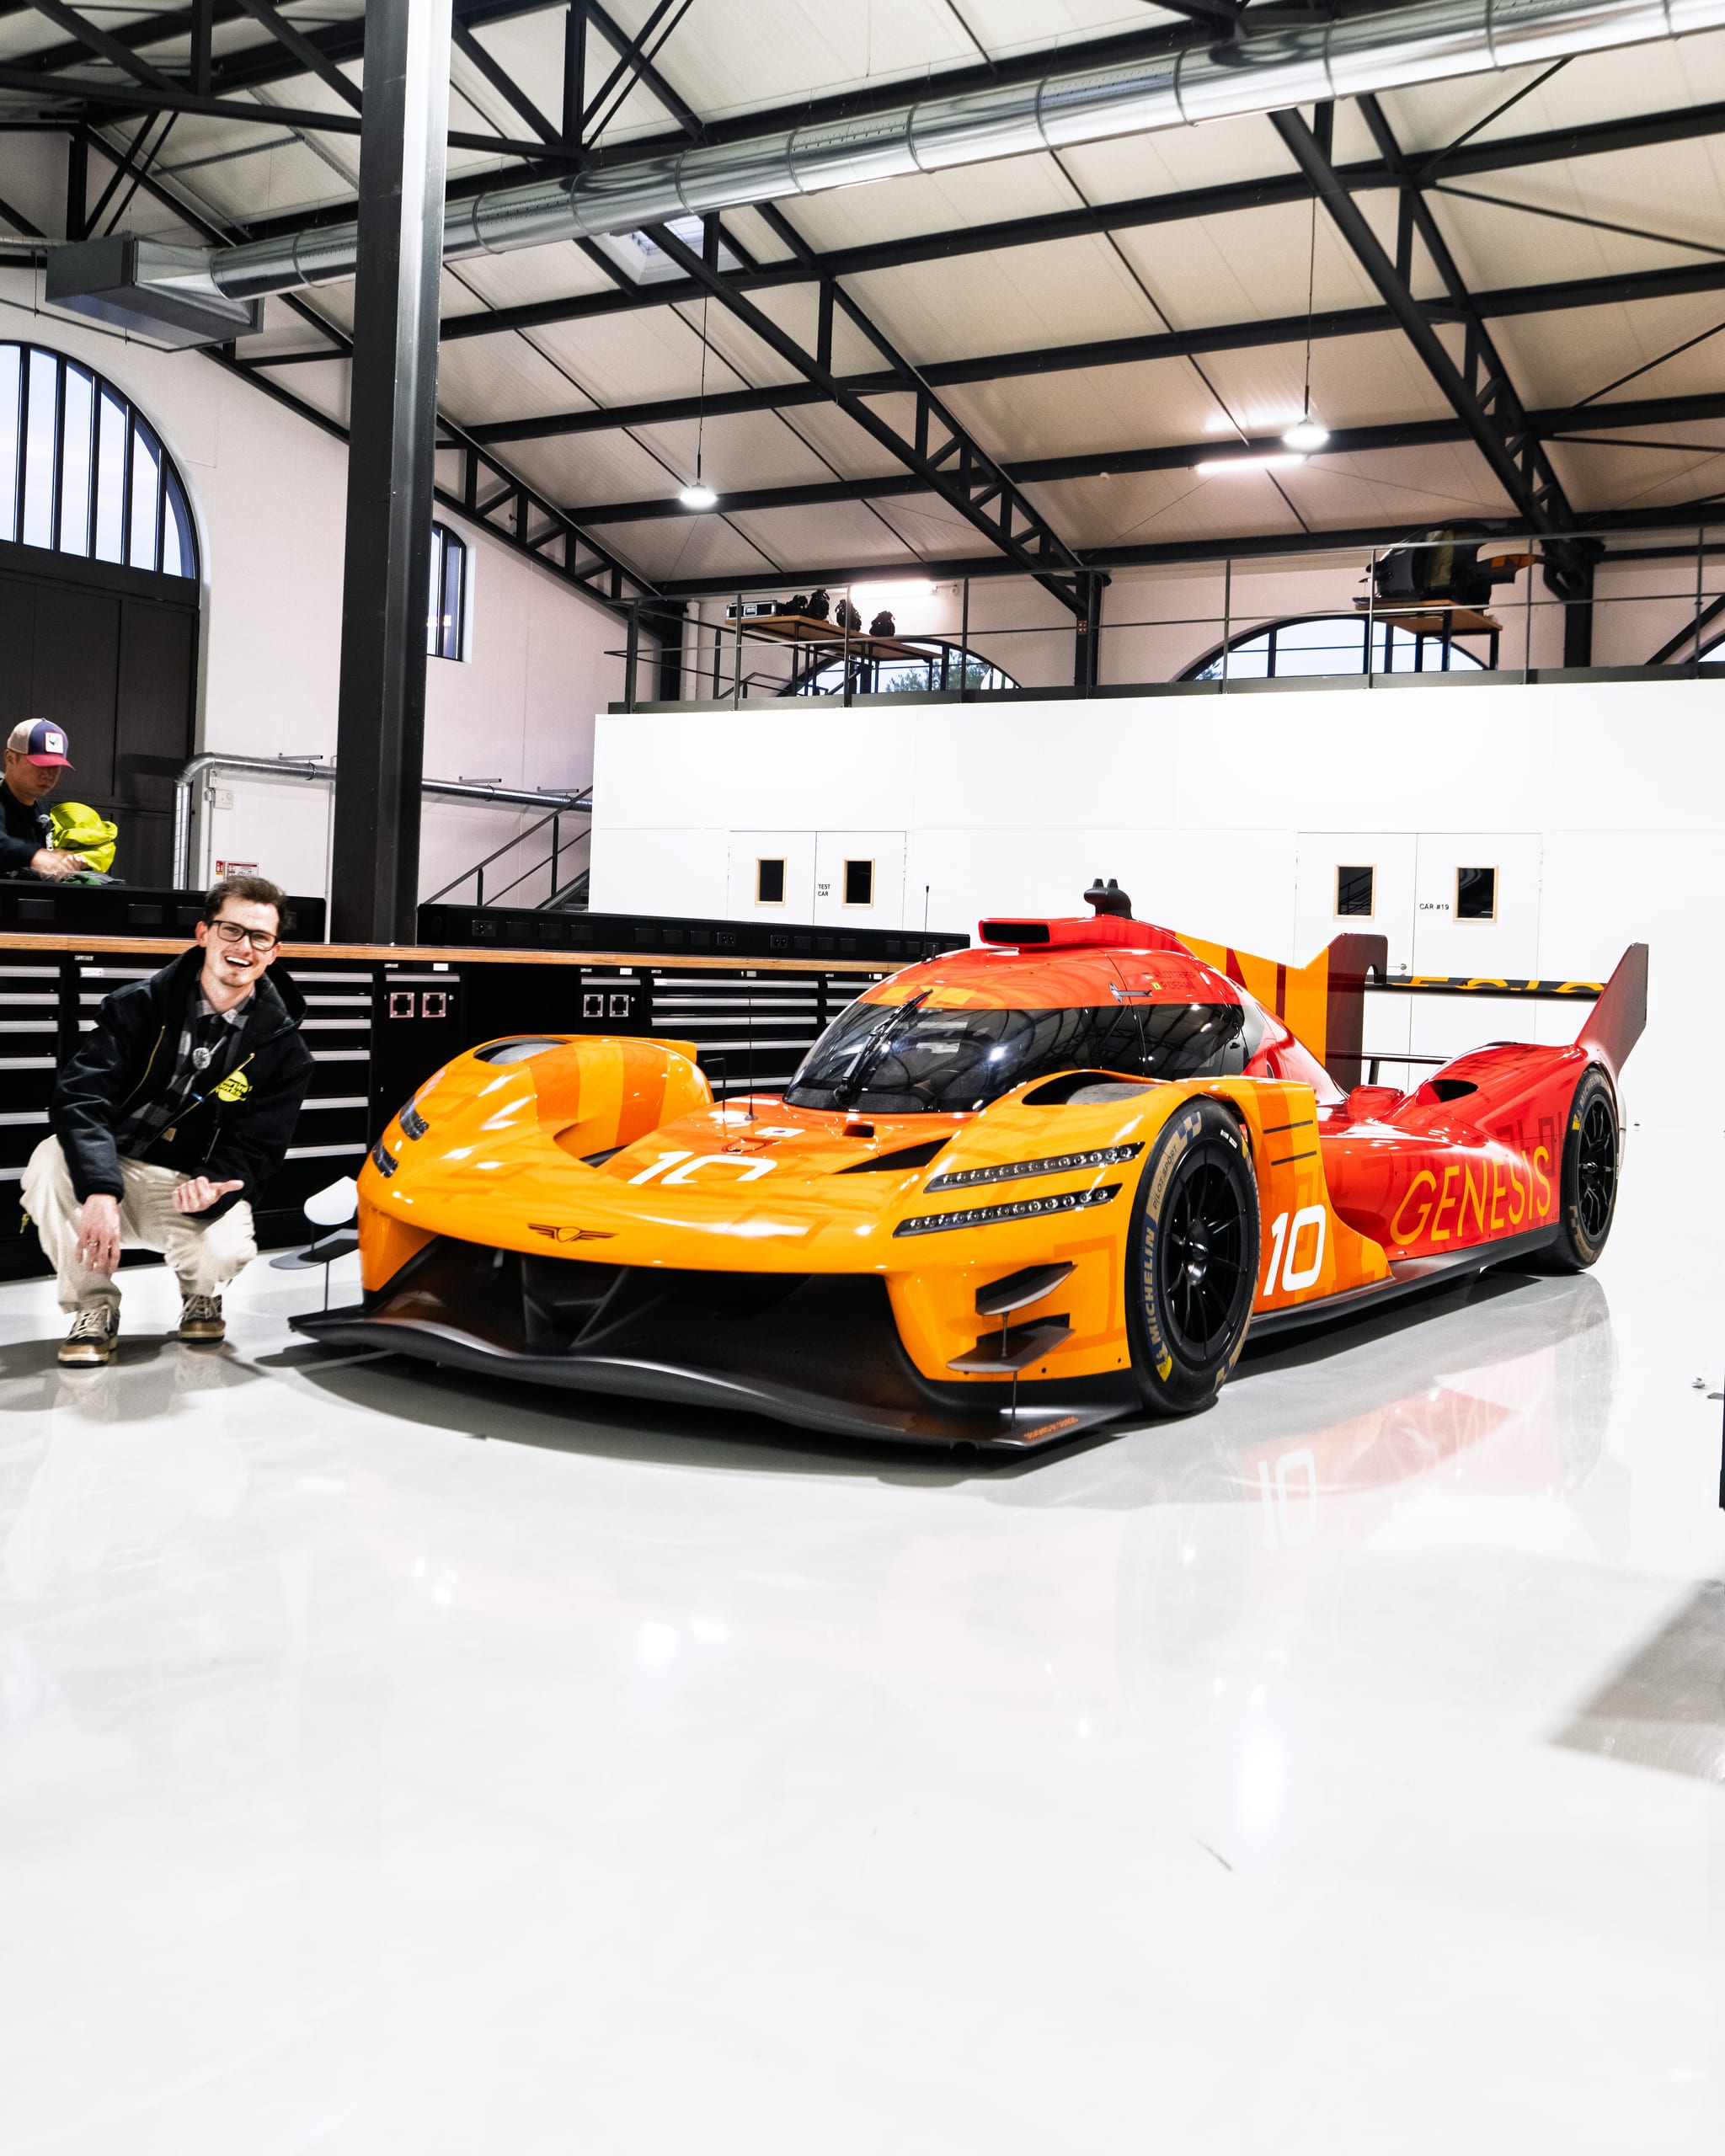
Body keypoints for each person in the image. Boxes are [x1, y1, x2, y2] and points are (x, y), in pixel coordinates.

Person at [22, 873, 313, 1366]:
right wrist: (100, 1188)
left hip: (186, 1183)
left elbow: (260, 1148)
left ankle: (201, 1294)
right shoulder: (136, 1006)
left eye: (260, 937)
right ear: (203, 934)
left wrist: (215, 1182)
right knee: (51, 1159)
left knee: (223, 1252)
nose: (244, 947)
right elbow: (80, 1100)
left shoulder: (285, 1050)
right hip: (116, 1168)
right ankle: (93, 1307)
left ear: (274, 951)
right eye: (231, 930)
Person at [1, 718, 85, 880]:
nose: (49, 775)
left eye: (55, 766)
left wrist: (61, 862)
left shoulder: (42, 807)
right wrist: (36, 856)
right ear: (10, 758)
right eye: (40, 764)